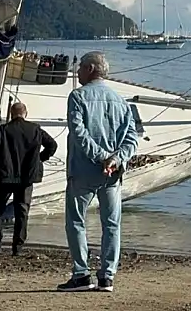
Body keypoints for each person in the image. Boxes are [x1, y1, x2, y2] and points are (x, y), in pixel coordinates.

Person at [57, 51, 139, 293]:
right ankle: (107, 276)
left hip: (83, 169)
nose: (77, 71)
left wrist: (102, 156)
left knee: (76, 221)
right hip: (112, 173)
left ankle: (81, 274)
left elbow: (78, 132)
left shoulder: (78, 96)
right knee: (112, 224)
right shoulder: (120, 100)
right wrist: (115, 158)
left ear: (91, 69)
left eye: (81, 66)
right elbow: (132, 139)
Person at [0, 100, 57, 256]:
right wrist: (39, 159)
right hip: (27, 177)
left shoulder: (2, 129)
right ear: (25, 113)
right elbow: (52, 145)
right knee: (22, 210)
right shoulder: (35, 129)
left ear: (11, 114)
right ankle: (18, 247)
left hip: (6, 175)